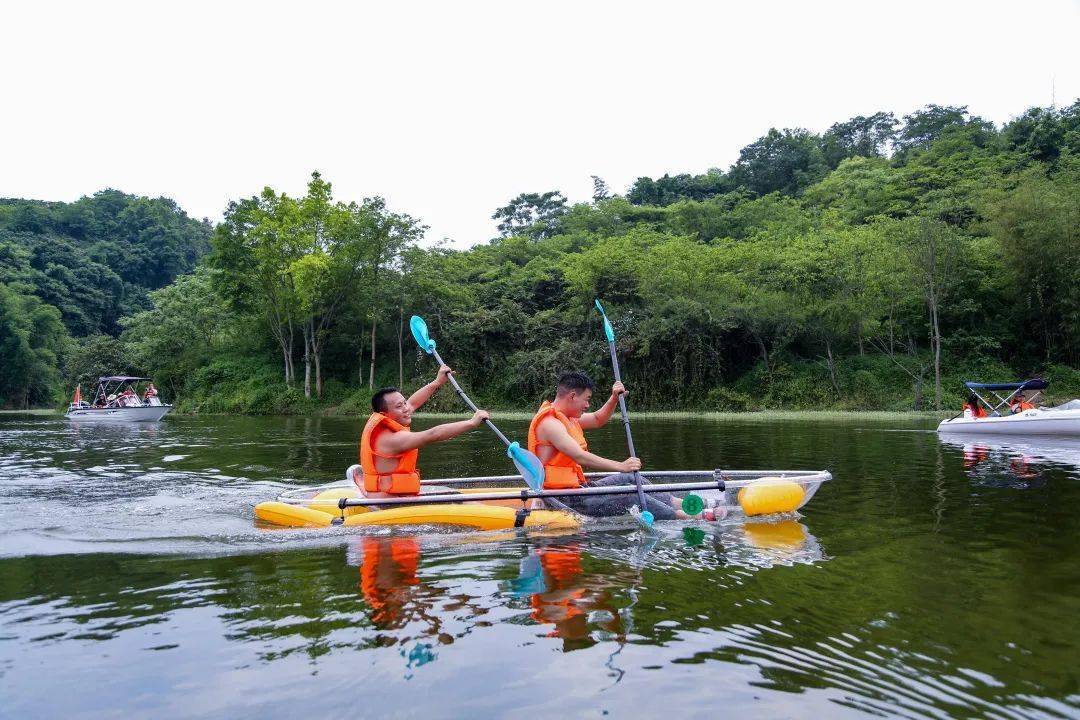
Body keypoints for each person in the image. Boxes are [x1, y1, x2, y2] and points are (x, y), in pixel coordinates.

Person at [528, 371, 709, 520]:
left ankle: (681, 503)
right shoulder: (550, 423)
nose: (587, 405)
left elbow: (598, 419)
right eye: (587, 399)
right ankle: (686, 517)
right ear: (572, 396)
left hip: (578, 490)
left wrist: (614, 398)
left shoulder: (568, 417)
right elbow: (579, 456)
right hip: (562, 499)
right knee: (629, 496)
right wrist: (620, 465)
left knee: (629, 477)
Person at [353, 365, 489, 498]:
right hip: (388, 504)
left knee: (452, 496)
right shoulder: (392, 439)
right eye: (399, 406)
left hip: (397, 497)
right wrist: (471, 422)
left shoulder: (390, 419)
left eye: (404, 402)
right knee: (456, 500)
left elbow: (413, 403)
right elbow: (433, 435)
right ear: (385, 414)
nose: (406, 408)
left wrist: (437, 382)